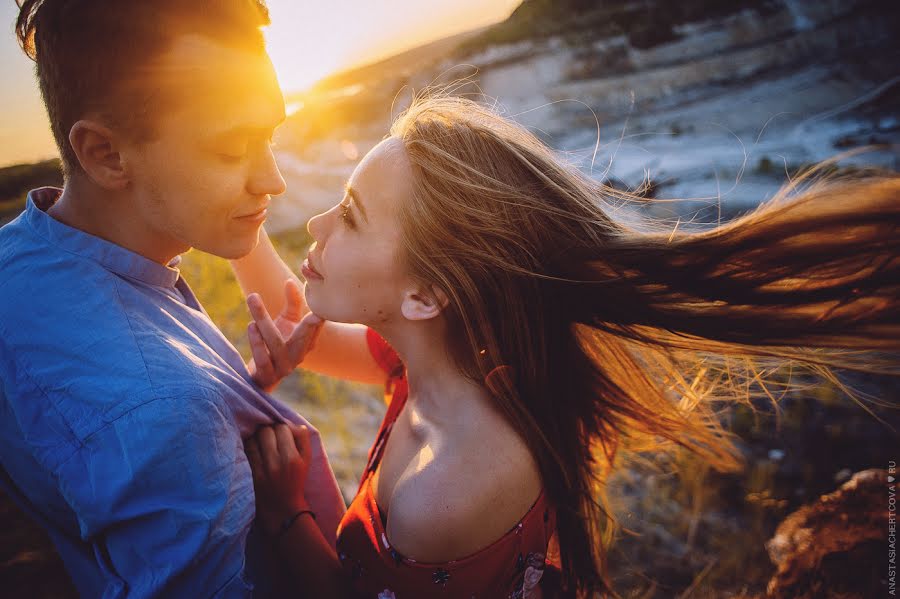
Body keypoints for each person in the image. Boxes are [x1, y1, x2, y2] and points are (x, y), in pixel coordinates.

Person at [231, 94, 900, 597]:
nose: (317, 222)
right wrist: (239, 212)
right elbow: (305, 328)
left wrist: (288, 513)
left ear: (425, 296)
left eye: (349, 214)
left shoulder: (452, 489)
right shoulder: (450, 365)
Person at [0, 1, 344, 597]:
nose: (273, 179)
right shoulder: (166, 416)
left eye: (268, 136)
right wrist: (204, 417)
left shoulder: (21, 254)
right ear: (106, 153)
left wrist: (238, 393)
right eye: (231, 147)